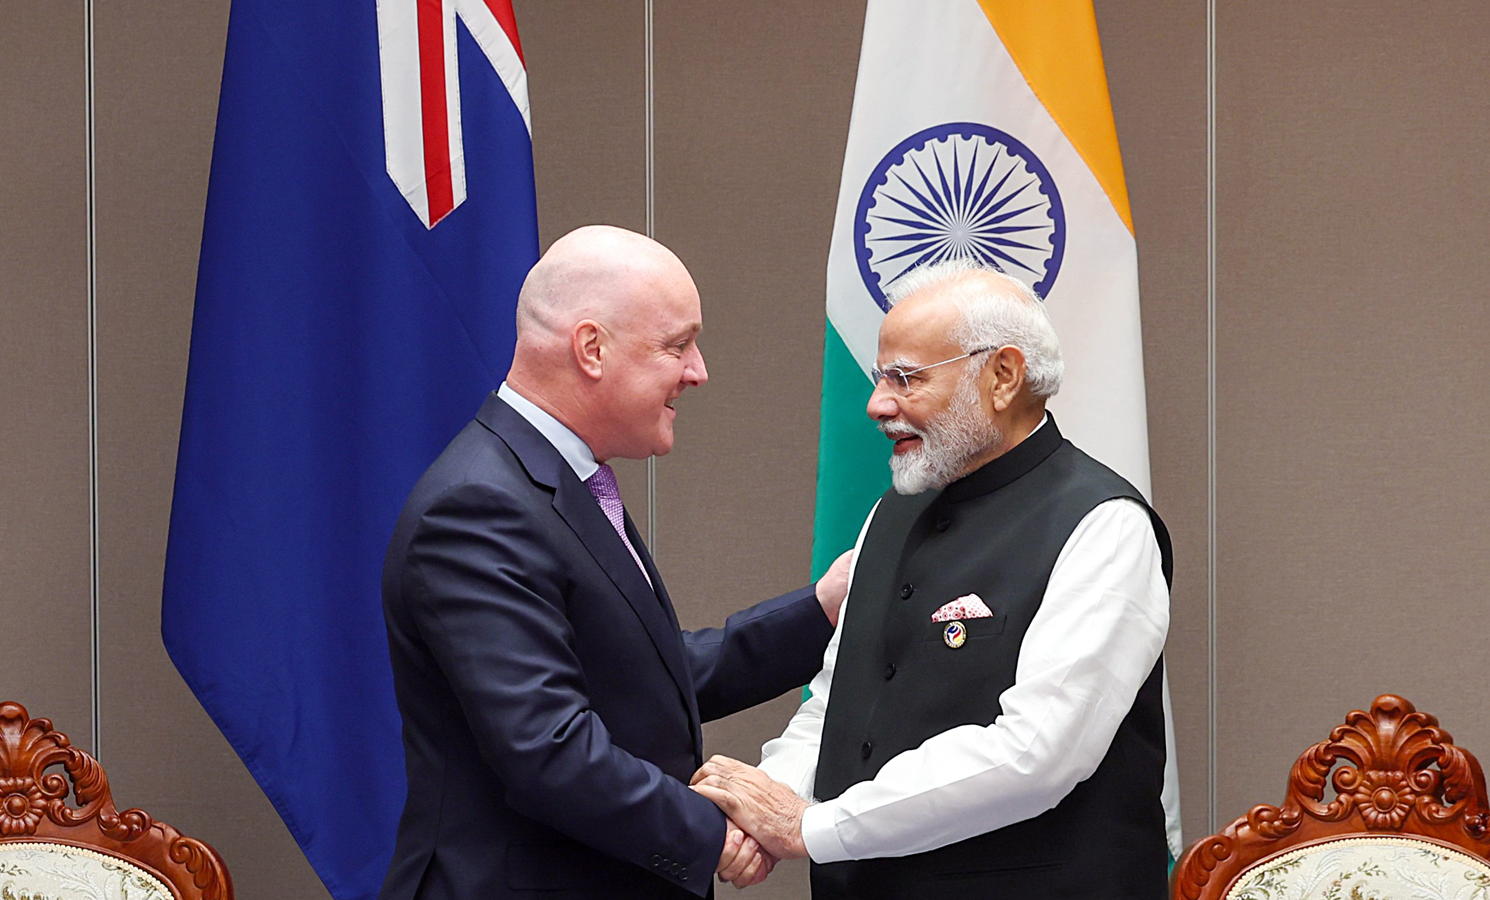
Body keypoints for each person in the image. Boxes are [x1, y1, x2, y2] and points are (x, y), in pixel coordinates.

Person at [377, 225, 851, 900]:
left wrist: (821, 611)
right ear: (592, 349)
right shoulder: (478, 507)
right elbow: (548, 749)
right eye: (677, 345)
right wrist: (717, 834)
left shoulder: (557, 480)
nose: (698, 371)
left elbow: (640, 678)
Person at [690, 258, 1174, 898]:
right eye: (878, 378)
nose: (876, 404)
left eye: (906, 378)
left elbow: (1037, 753)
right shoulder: (890, 512)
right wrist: (766, 802)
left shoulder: (1104, 524)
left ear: (1003, 376)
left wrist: (812, 827)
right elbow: (837, 702)